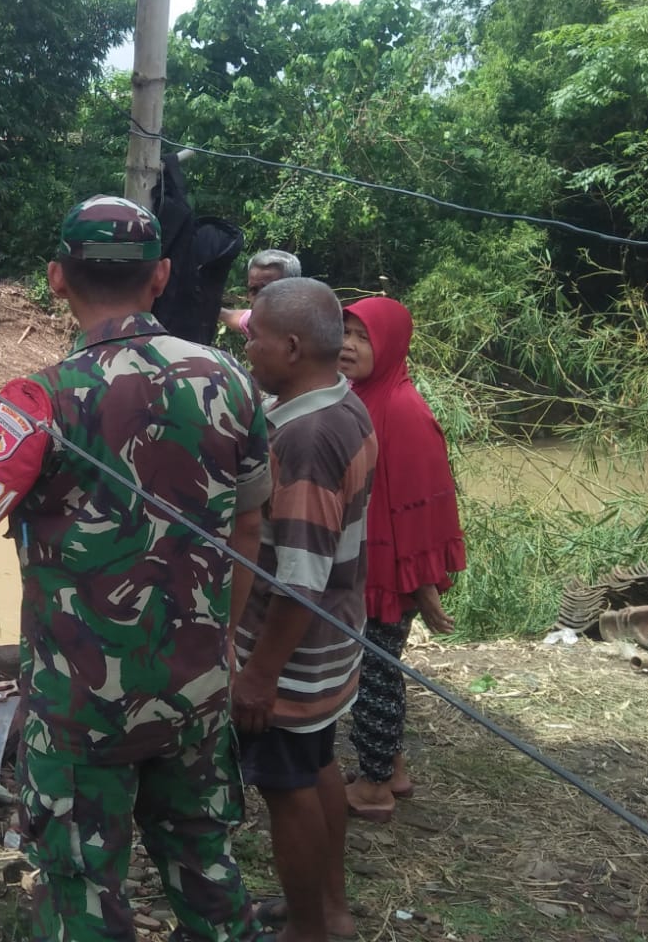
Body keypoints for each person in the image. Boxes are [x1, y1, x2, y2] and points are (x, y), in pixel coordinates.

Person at [0, 196, 270, 942]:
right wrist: (226, 647)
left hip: (80, 710)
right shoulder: (232, 382)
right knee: (208, 872)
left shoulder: (38, 402)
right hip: (199, 693)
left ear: (55, 278)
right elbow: (251, 526)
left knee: (82, 891)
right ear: (162, 276)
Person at [234, 279, 377, 942]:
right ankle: (328, 911)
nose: (247, 344)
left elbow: (298, 577)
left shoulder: (308, 438)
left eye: (255, 336)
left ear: (290, 348)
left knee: (286, 787)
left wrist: (260, 672)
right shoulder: (343, 405)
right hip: (331, 643)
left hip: (293, 653)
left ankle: (310, 932)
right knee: (317, 765)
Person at [338, 297, 466, 823]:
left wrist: (424, 587)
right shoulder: (362, 396)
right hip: (368, 566)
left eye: (362, 337)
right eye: (343, 332)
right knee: (377, 669)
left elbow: (420, 508)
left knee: (371, 674)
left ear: (389, 346)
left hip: (391, 575)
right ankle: (389, 766)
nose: (347, 345)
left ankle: (373, 787)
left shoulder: (402, 410)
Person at [220, 249, 302, 337]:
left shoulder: (308, 335)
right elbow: (239, 317)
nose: (259, 299)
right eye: (254, 290)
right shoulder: (258, 321)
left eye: (268, 291)